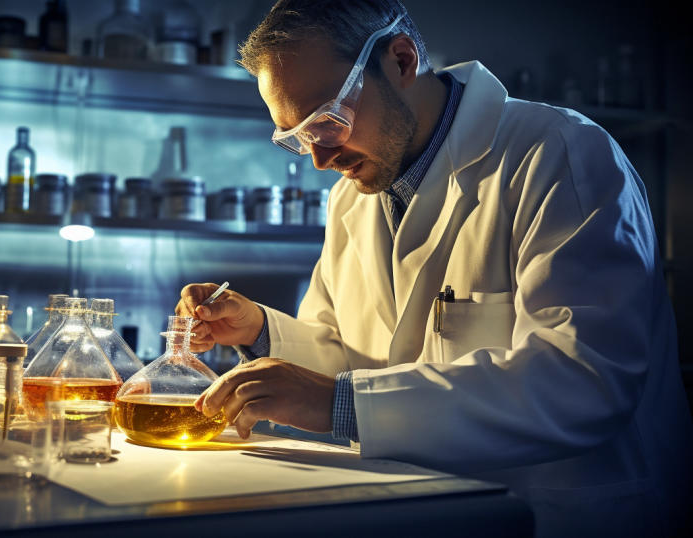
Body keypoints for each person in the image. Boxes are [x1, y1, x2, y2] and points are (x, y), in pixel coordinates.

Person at [174, 1, 692, 536]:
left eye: (327, 121)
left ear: (401, 60)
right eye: (298, 137)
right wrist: (261, 332)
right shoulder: (350, 200)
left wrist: (339, 404)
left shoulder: (557, 153)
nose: (320, 159)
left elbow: (583, 380)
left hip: (559, 516)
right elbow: (353, 358)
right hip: (420, 510)